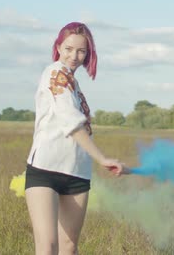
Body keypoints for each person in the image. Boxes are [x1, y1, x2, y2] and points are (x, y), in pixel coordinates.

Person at [24, 21, 129, 255]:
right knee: (47, 246)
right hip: (45, 169)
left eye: (81, 51)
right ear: (59, 47)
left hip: (77, 173)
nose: (74, 56)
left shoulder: (75, 84)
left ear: (88, 54)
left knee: (69, 247)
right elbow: (70, 122)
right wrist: (102, 158)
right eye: (69, 48)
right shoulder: (54, 73)